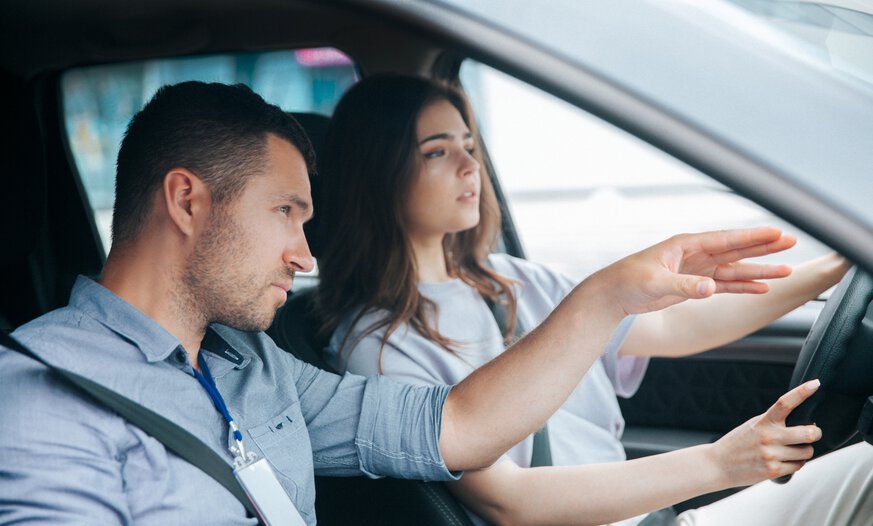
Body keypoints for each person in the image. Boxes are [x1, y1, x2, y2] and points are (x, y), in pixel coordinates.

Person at [0, 82, 833, 525]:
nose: (302, 250)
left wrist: (607, 292)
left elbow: (459, 428)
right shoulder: (37, 400)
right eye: (285, 213)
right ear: (187, 202)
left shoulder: (255, 368)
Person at [315, 74, 872, 526]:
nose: (470, 166)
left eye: (469, 145)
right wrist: (719, 463)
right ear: (378, 173)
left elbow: (681, 329)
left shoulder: (513, 280)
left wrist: (840, 264)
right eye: (437, 152)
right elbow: (510, 503)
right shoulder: (379, 343)